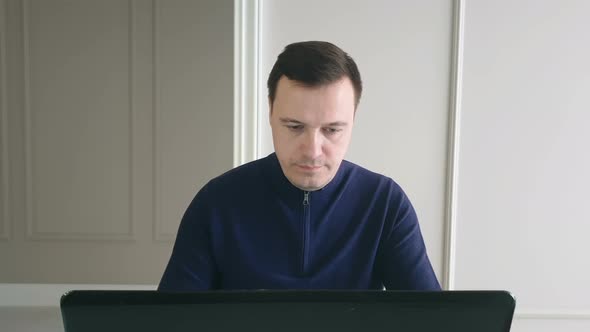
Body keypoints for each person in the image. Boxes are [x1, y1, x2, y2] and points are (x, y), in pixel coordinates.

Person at [158, 41, 440, 291]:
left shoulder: (385, 204)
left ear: (354, 119)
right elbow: (170, 322)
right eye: (294, 126)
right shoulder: (216, 203)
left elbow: (431, 320)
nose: (313, 151)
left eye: (332, 130)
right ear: (270, 111)